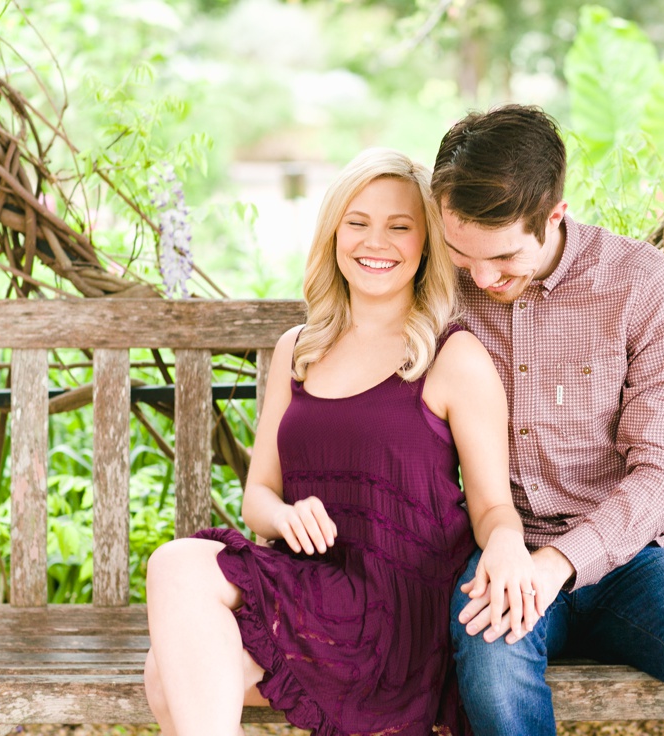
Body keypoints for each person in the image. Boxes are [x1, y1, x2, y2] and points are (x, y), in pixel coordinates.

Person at [142, 148, 536, 736]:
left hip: (399, 602)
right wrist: (285, 515)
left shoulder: (453, 356)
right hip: (311, 585)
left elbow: (491, 506)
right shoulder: (298, 349)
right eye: (358, 223)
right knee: (166, 664)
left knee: (174, 598)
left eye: (400, 227)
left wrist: (508, 545)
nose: (376, 242)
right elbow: (259, 496)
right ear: (333, 234)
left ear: (426, 245)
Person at [431, 105, 664, 736]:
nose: (480, 277)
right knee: (490, 662)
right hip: (502, 551)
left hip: (637, 559)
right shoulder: (439, 288)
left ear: (554, 216)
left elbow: (661, 475)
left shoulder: (640, 285)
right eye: (460, 251)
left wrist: (560, 561)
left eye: (503, 258)